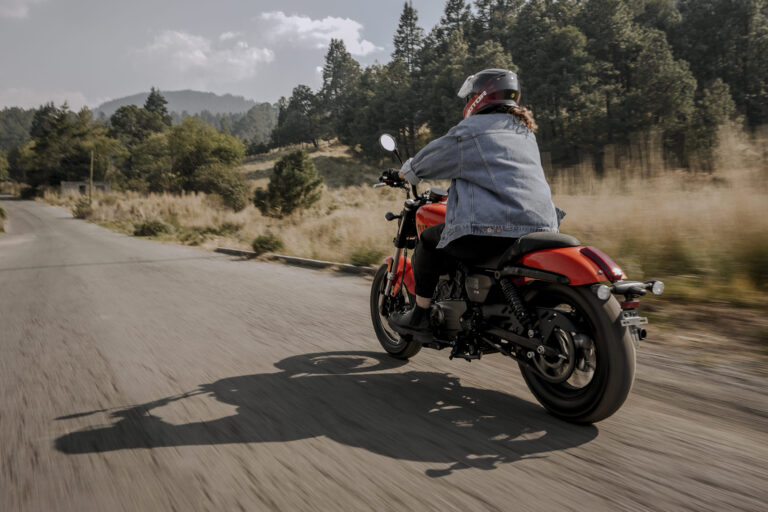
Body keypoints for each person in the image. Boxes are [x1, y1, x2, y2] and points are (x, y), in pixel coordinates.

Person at [388, 68, 562, 337]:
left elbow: (428, 161)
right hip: (542, 227)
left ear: (479, 97)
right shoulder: (524, 132)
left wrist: (402, 173)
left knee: (429, 243)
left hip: (494, 230)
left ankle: (420, 315)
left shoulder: (471, 131)